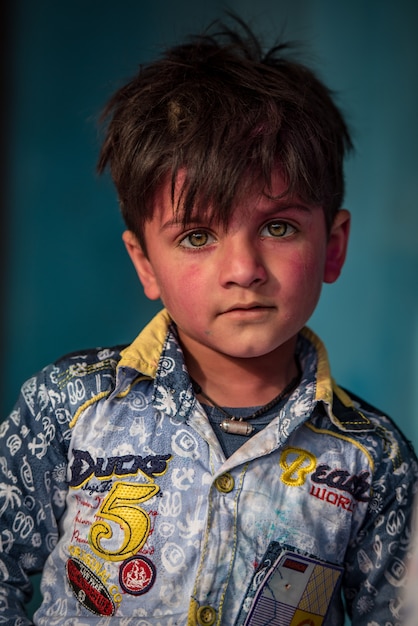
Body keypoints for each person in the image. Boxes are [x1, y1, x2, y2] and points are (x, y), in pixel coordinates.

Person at [0, 16, 416, 626]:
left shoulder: (372, 460)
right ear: (145, 264)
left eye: (278, 227)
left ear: (332, 245)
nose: (244, 268)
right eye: (197, 236)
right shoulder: (67, 407)